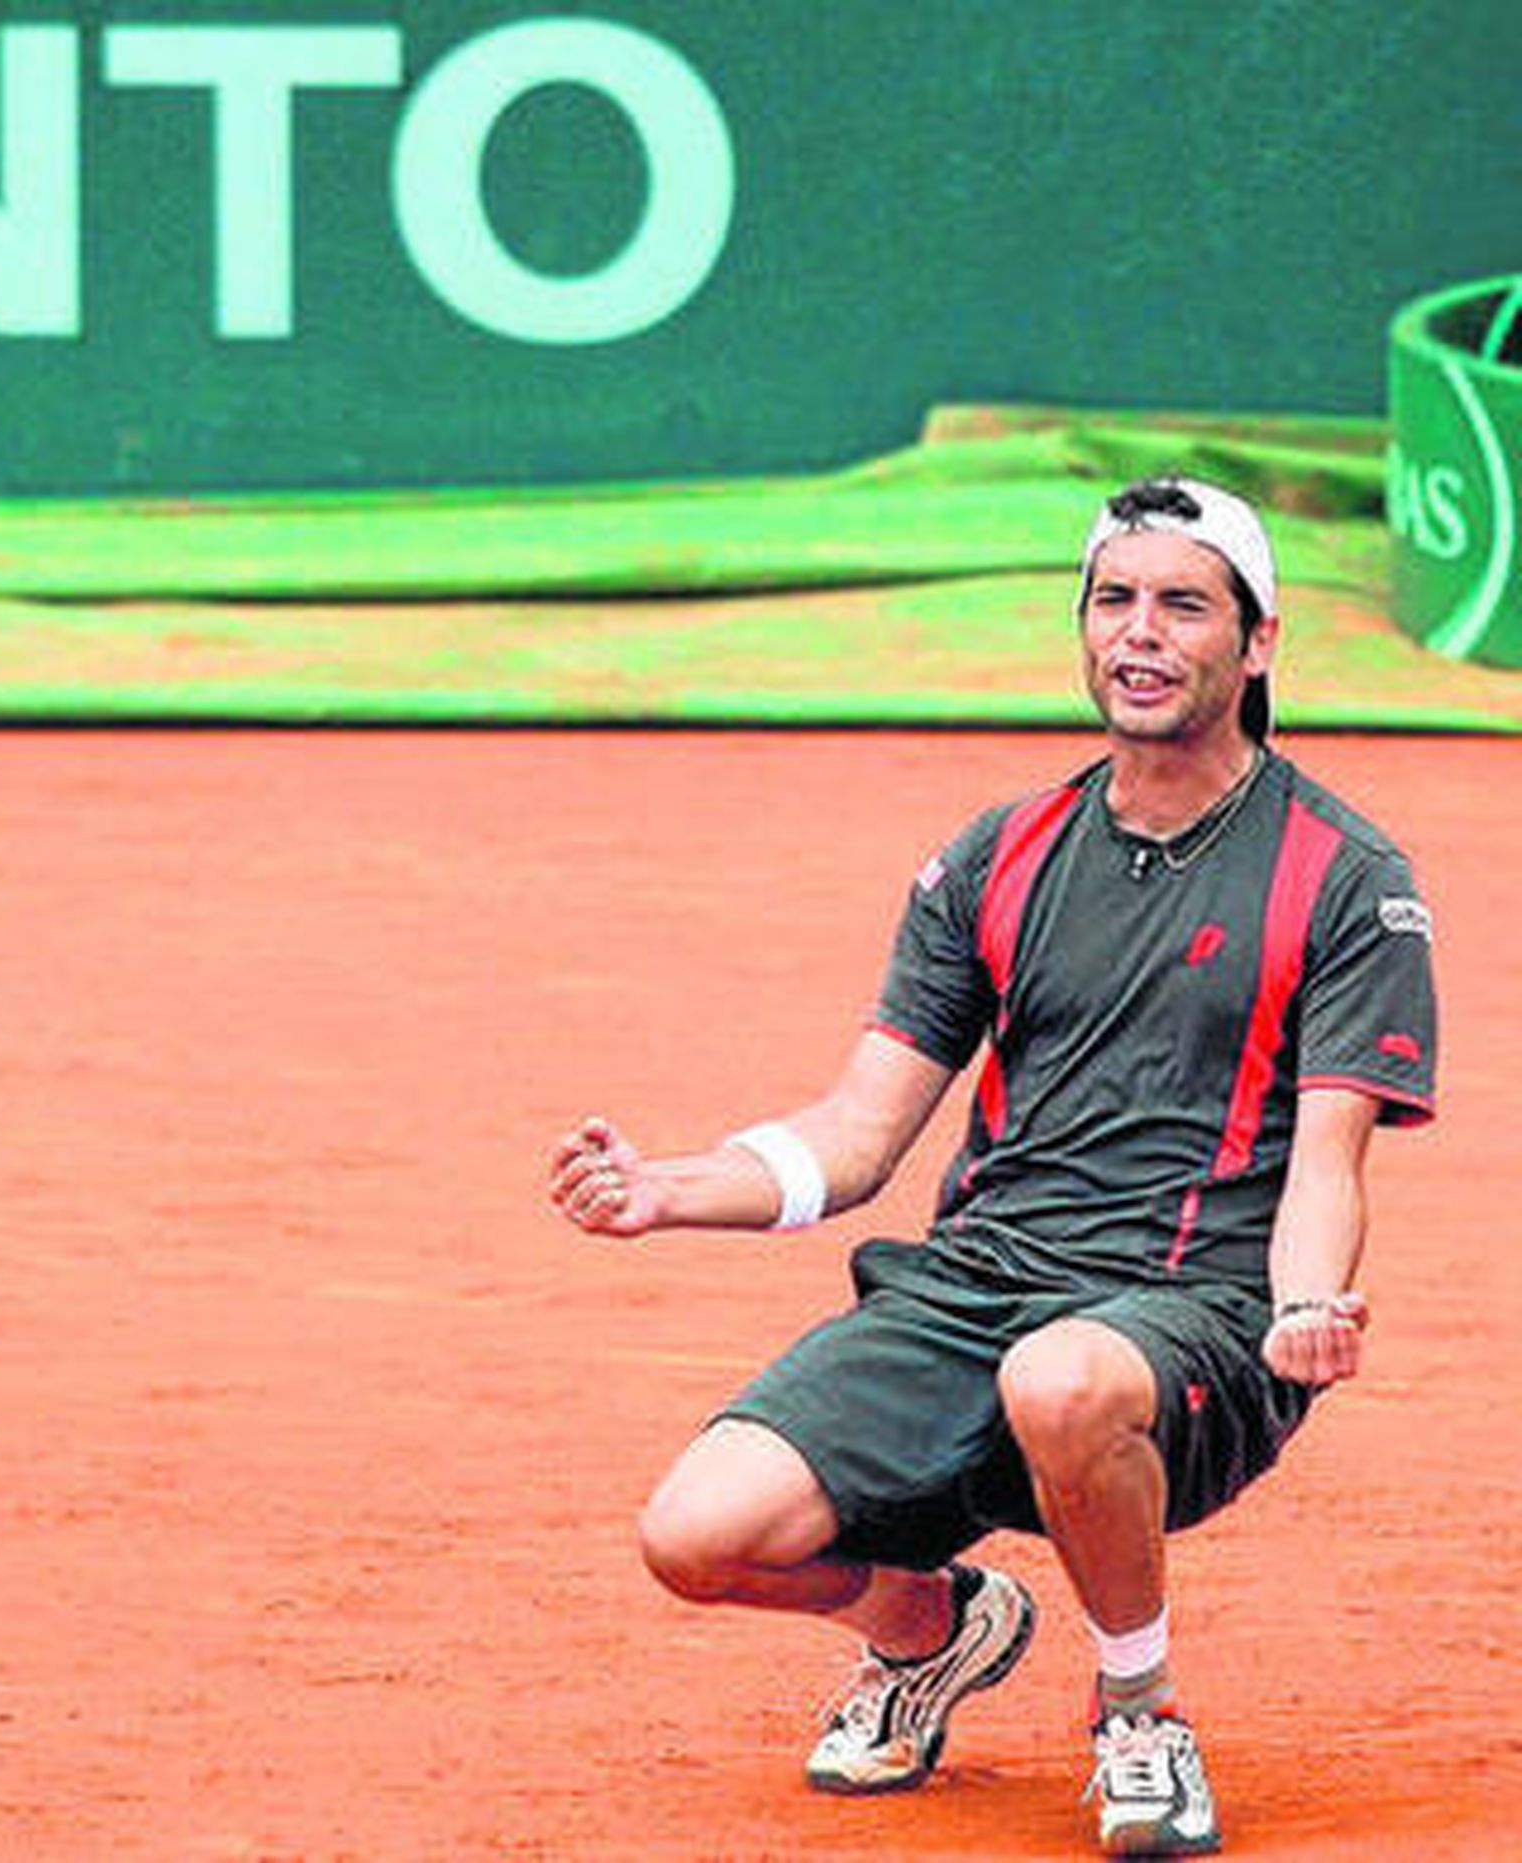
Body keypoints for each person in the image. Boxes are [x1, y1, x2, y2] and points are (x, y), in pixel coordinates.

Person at [548, 476, 1437, 1857]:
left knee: (1062, 1375)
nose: (1140, 635)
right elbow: (856, 1138)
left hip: (1194, 1309)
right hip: (974, 1288)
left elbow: (1329, 1159)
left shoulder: (1342, 877)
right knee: (698, 1536)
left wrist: (1311, 1303)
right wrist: (674, 1190)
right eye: (1114, 602)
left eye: (1183, 606)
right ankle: (931, 1626)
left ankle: (1138, 1708)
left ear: (1257, 644)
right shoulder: (999, 854)